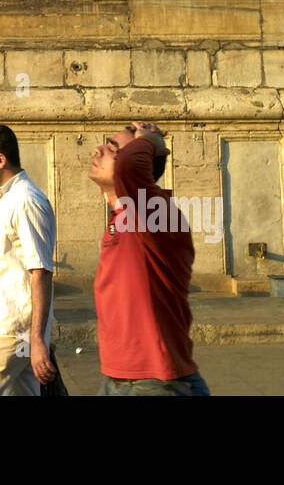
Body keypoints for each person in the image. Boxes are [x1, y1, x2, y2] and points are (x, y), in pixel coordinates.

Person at [89, 120, 210, 396]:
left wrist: (150, 141)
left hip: (156, 383)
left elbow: (130, 167)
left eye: (112, 148)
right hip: (117, 379)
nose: (97, 151)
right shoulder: (124, 216)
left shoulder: (156, 213)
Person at [0, 124, 57, 396]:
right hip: (16, 327)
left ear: (0, 159)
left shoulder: (25, 200)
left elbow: (41, 270)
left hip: (13, 329)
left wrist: (37, 339)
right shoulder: (7, 198)